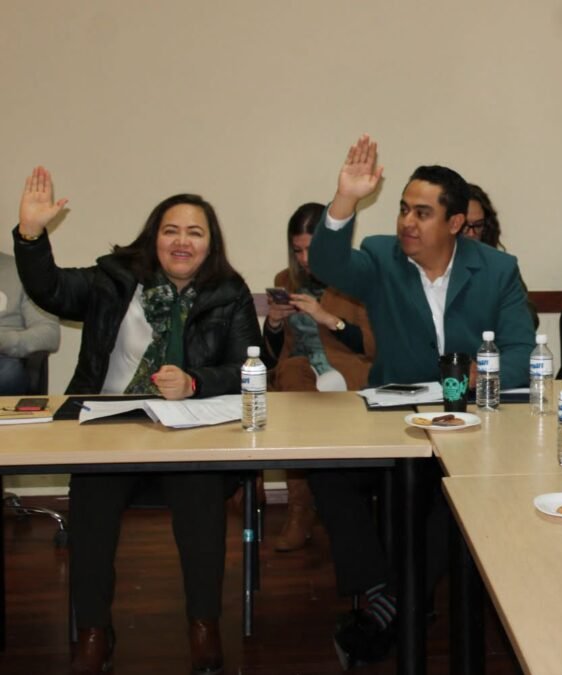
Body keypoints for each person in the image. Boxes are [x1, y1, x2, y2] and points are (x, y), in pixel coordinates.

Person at [13, 167, 260, 675]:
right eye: (171, 230)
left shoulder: (228, 292)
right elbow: (52, 291)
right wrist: (32, 236)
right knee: (92, 498)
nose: (182, 241)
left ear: (210, 245)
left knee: (201, 494)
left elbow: (247, 369)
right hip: (110, 421)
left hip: (187, 428)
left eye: (195, 232)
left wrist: (194, 382)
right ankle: (93, 630)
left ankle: (203, 626)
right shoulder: (114, 279)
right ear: (154, 238)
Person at [306, 134, 535, 668]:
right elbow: (326, 264)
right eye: (404, 209)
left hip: (473, 421)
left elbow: (523, 349)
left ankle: (389, 607)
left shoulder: (496, 269)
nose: (408, 222)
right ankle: (383, 588)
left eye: (423, 212)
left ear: (455, 223)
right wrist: (344, 200)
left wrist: (488, 372)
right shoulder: (382, 256)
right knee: (326, 466)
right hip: (395, 419)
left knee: (448, 501)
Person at [262, 202, 376, 552]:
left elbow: (373, 345)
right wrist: (275, 322)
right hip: (301, 374)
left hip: (350, 373)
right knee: (292, 379)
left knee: (303, 392)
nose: (305, 258)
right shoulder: (286, 280)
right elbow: (273, 352)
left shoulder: (361, 277)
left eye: (312, 249)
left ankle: (325, 508)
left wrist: (328, 318)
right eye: (298, 250)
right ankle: (300, 509)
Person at [463, 183, 539, 328]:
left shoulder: (500, 266)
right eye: (465, 226)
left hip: (491, 346)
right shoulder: (430, 266)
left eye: (478, 225)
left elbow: (529, 317)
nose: (472, 234)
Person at [0, 251, 59, 394]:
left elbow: (49, 333)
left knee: (8, 374)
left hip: (4, 357)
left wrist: (4, 341)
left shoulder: (23, 270)